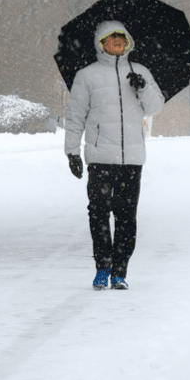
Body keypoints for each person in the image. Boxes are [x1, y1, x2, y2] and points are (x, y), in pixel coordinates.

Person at [64, 20, 165, 289]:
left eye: (121, 38)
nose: (117, 42)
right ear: (101, 43)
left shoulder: (139, 71)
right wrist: (72, 152)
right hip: (99, 158)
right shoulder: (86, 76)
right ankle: (102, 266)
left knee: (126, 216)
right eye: (111, 39)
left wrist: (142, 87)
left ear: (128, 42)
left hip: (131, 160)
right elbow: (75, 116)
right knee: (98, 213)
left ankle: (120, 271)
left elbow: (155, 107)